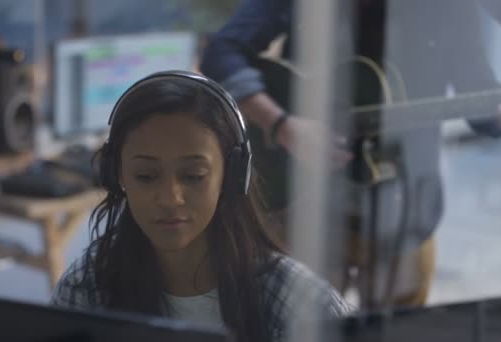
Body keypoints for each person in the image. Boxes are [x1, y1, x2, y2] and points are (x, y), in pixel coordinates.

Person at [199, 0, 501, 309]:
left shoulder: (449, 4)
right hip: (307, 206)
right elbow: (221, 52)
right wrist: (282, 125)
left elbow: (476, 88)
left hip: (404, 210)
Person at [50, 71, 352, 342]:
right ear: (118, 175)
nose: (170, 198)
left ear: (232, 176)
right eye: (146, 176)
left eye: (193, 176)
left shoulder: (301, 302)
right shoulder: (87, 287)